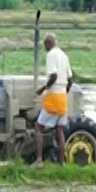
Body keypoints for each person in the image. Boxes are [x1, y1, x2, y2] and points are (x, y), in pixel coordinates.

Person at [35, 33, 73, 164]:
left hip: (53, 96)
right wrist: (65, 92)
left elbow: (54, 76)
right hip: (63, 97)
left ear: (48, 44)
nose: (45, 48)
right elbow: (70, 80)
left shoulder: (51, 55)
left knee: (39, 127)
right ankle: (61, 163)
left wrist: (43, 88)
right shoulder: (64, 56)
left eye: (45, 46)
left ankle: (39, 160)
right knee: (60, 130)